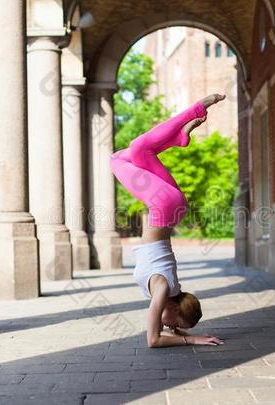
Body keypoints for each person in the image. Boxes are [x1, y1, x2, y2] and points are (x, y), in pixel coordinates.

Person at [109, 93, 226, 348]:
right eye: (177, 324)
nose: (171, 327)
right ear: (176, 310)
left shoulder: (171, 291)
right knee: (118, 158)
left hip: (172, 206)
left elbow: (167, 325)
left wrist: (183, 332)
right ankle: (194, 109)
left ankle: (179, 136)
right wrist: (192, 339)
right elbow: (153, 340)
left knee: (135, 151)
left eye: (176, 329)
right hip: (163, 206)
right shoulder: (162, 288)